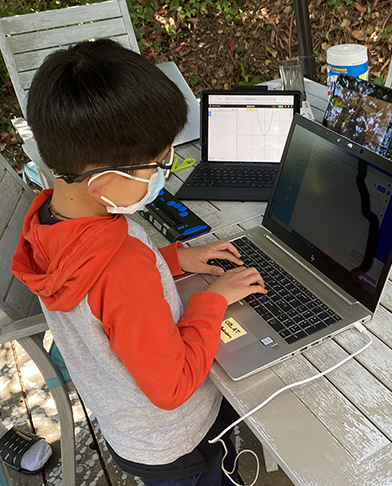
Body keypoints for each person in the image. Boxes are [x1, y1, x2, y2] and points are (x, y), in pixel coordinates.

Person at [10, 38, 266, 485]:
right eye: (158, 164)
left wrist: (176, 258)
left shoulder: (50, 218)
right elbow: (171, 386)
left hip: (129, 428)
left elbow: (99, 294)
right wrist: (214, 299)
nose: (164, 174)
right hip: (180, 439)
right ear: (105, 181)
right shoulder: (120, 266)